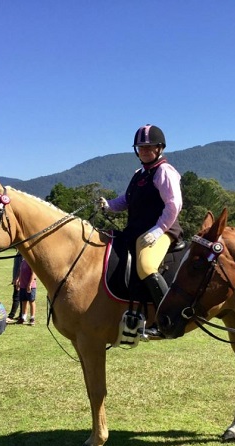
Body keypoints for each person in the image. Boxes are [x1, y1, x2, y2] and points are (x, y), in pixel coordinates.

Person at [98, 124, 183, 337]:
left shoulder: (164, 172)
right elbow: (126, 200)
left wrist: (158, 230)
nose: (144, 151)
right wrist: (108, 205)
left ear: (159, 148)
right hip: (136, 232)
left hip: (163, 231)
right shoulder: (139, 174)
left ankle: (168, 319)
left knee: (146, 265)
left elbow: (174, 204)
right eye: (141, 147)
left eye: (149, 147)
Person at [16, 257, 37, 325]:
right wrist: (18, 281)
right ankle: (23, 318)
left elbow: (33, 274)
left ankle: (32, 318)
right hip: (23, 285)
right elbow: (21, 272)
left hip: (31, 286)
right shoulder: (23, 261)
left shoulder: (31, 262)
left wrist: (30, 284)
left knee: (31, 301)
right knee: (24, 301)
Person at [6, 251, 23, 324]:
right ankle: (21, 315)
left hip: (20, 279)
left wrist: (18, 278)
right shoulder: (20, 252)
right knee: (21, 297)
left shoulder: (22, 254)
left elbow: (22, 267)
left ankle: (11, 316)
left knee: (16, 297)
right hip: (18, 278)